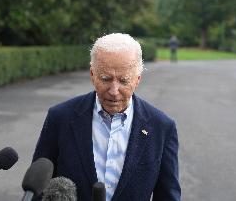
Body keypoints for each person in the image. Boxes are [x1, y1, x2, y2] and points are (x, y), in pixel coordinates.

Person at [32, 33, 181, 201]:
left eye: (123, 81)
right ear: (92, 74)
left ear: (137, 79)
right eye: (105, 78)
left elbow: (168, 196)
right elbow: (37, 188)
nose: (113, 90)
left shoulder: (161, 127)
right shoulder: (60, 118)